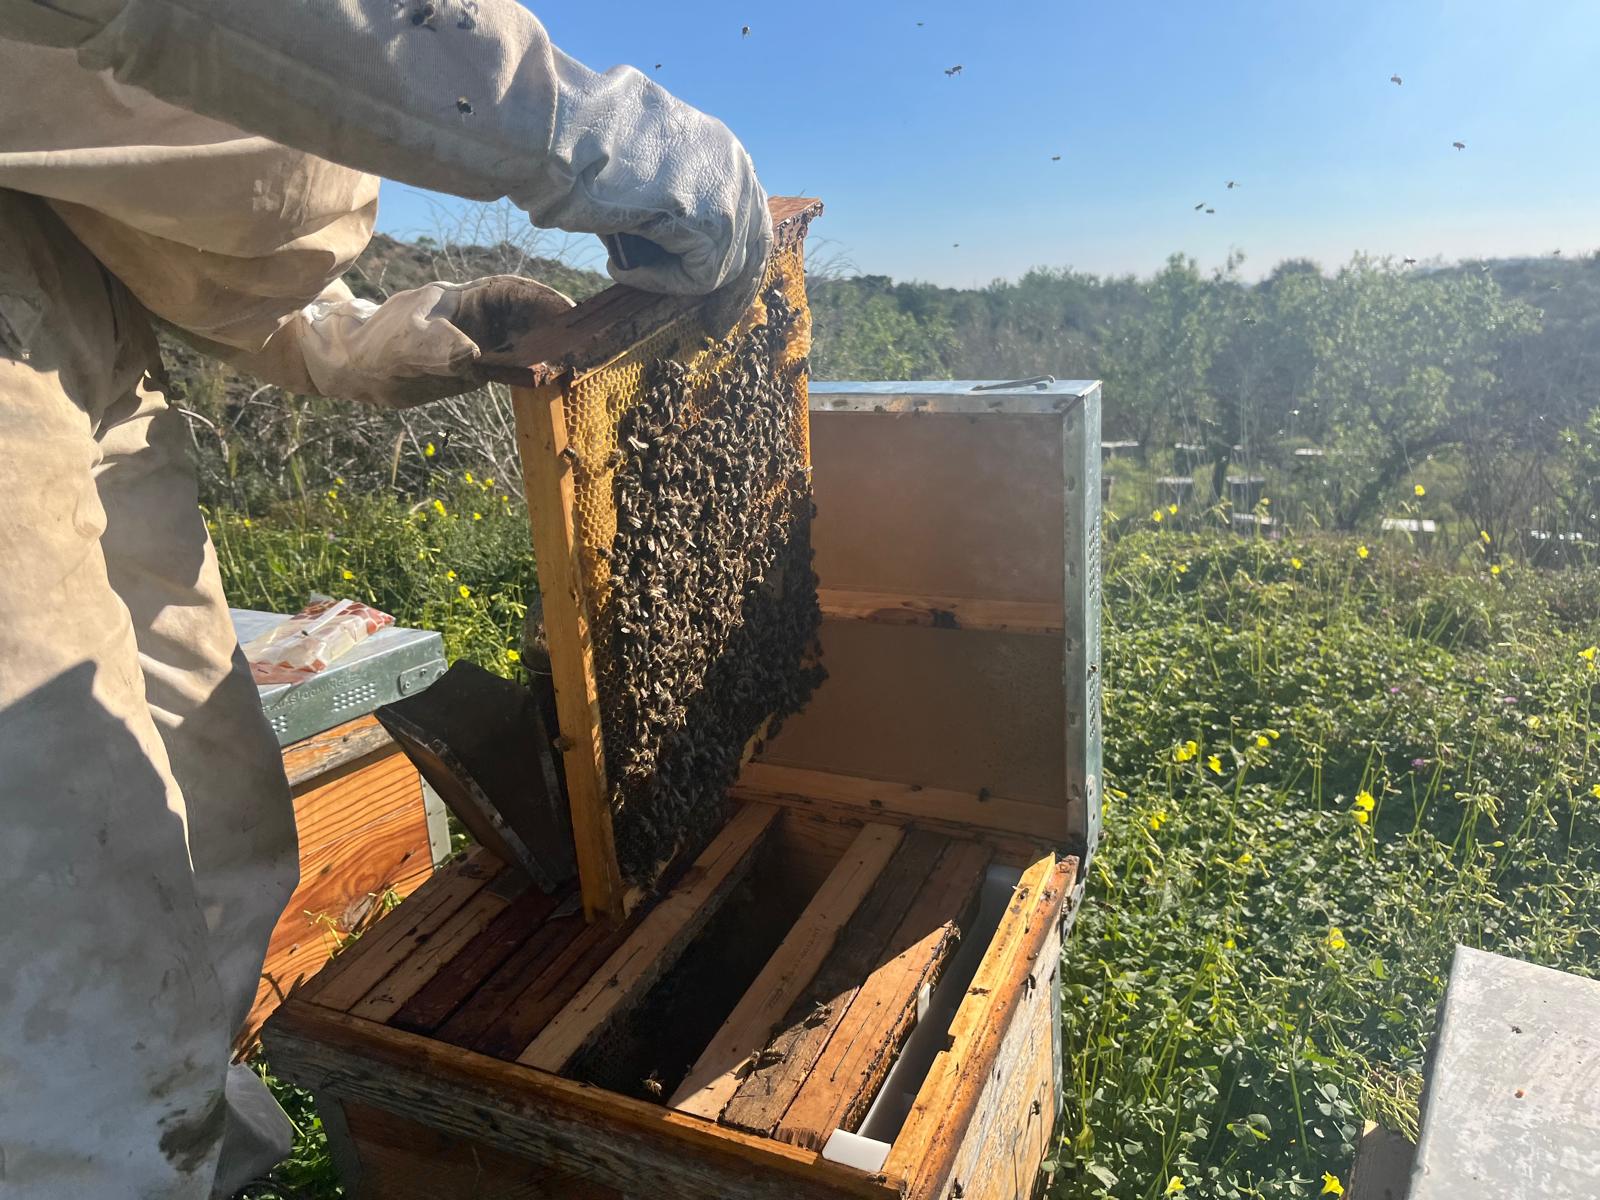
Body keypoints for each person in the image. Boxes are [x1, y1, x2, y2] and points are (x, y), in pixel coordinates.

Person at [0, 2, 772, 1195]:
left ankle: (204, 1170)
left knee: (222, 835)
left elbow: (129, 183)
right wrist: (604, 133)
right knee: (64, 969)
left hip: (76, 311)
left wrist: (375, 336)